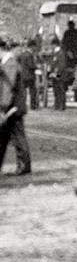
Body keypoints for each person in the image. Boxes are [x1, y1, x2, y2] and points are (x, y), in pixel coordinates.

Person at [0, 37, 32, 176]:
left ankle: (24, 166)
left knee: (18, 137)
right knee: (4, 138)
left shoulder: (9, 63)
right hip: (10, 107)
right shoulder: (7, 62)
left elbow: (8, 88)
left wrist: (3, 108)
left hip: (13, 108)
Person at [15, 39, 38, 111]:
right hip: (30, 76)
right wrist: (37, 66)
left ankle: (22, 105)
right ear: (32, 46)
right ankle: (33, 105)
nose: (35, 48)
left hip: (22, 75)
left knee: (23, 92)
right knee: (33, 91)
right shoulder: (30, 55)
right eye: (35, 46)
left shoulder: (22, 54)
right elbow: (31, 65)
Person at [47, 37, 67, 110]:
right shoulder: (54, 53)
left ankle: (61, 105)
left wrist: (56, 73)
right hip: (54, 74)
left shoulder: (61, 53)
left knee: (61, 90)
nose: (51, 46)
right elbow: (52, 63)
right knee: (55, 90)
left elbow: (61, 65)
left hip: (60, 75)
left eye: (52, 45)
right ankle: (57, 105)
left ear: (55, 45)